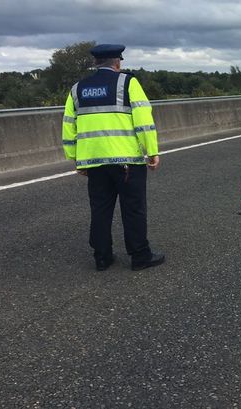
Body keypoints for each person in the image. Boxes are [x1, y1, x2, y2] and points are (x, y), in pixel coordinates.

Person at [62, 44, 165, 271]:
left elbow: (69, 127)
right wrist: (152, 151)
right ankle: (140, 256)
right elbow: (143, 120)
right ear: (117, 63)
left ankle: (102, 257)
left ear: (95, 63)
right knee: (133, 208)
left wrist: (75, 158)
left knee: (100, 208)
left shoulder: (77, 89)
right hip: (127, 160)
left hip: (94, 162)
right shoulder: (128, 83)